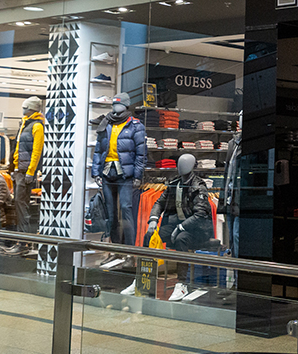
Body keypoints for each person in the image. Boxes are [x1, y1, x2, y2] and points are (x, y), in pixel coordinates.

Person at [145, 154, 213, 301]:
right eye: (180, 163)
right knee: (149, 236)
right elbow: (159, 202)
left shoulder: (198, 186)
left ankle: (182, 283)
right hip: (178, 225)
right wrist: (153, 220)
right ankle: (144, 277)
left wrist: (181, 227)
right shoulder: (174, 183)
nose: (182, 167)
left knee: (181, 239)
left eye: (185, 164)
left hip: (198, 230)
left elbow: (200, 215)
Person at [91, 93, 147, 246]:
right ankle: (115, 247)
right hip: (107, 172)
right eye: (114, 104)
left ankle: (130, 248)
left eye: (119, 104)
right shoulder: (106, 123)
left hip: (125, 174)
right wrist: (96, 173)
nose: (116, 107)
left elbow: (141, 153)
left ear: (126, 105)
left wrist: (137, 175)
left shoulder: (135, 125)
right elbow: (98, 150)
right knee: (110, 212)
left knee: (126, 209)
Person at [9, 96, 44, 255]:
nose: (23, 110)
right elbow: (17, 148)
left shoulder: (37, 126)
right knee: (18, 205)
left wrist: (31, 172)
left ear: (32, 109)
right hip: (19, 171)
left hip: (25, 172)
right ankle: (21, 241)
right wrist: (13, 168)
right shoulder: (25, 123)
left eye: (26, 107)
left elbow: (37, 151)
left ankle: (23, 242)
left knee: (21, 205)